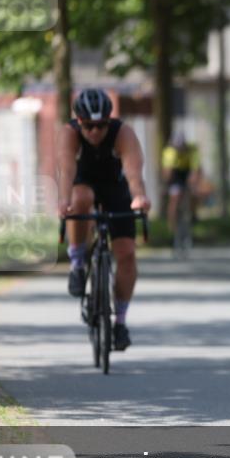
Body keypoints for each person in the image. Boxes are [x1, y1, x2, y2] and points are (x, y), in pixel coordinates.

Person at [58, 88, 151, 350]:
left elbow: (133, 171)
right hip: (83, 184)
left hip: (116, 188)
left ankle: (120, 321)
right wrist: (63, 200)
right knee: (80, 198)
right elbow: (66, 170)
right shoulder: (69, 133)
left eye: (101, 125)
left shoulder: (123, 133)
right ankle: (77, 263)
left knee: (127, 254)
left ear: (109, 121)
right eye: (89, 126)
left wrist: (139, 197)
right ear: (79, 121)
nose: (95, 132)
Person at [161, 132, 202, 236]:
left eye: (182, 148)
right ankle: (172, 225)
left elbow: (195, 169)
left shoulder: (192, 150)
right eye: (178, 148)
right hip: (175, 173)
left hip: (187, 171)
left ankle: (193, 214)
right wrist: (167, 186)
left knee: (195, 192)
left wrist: (193, 184)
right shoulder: (170, 152)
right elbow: (167, 173)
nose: (180, 150)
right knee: (174, 198)